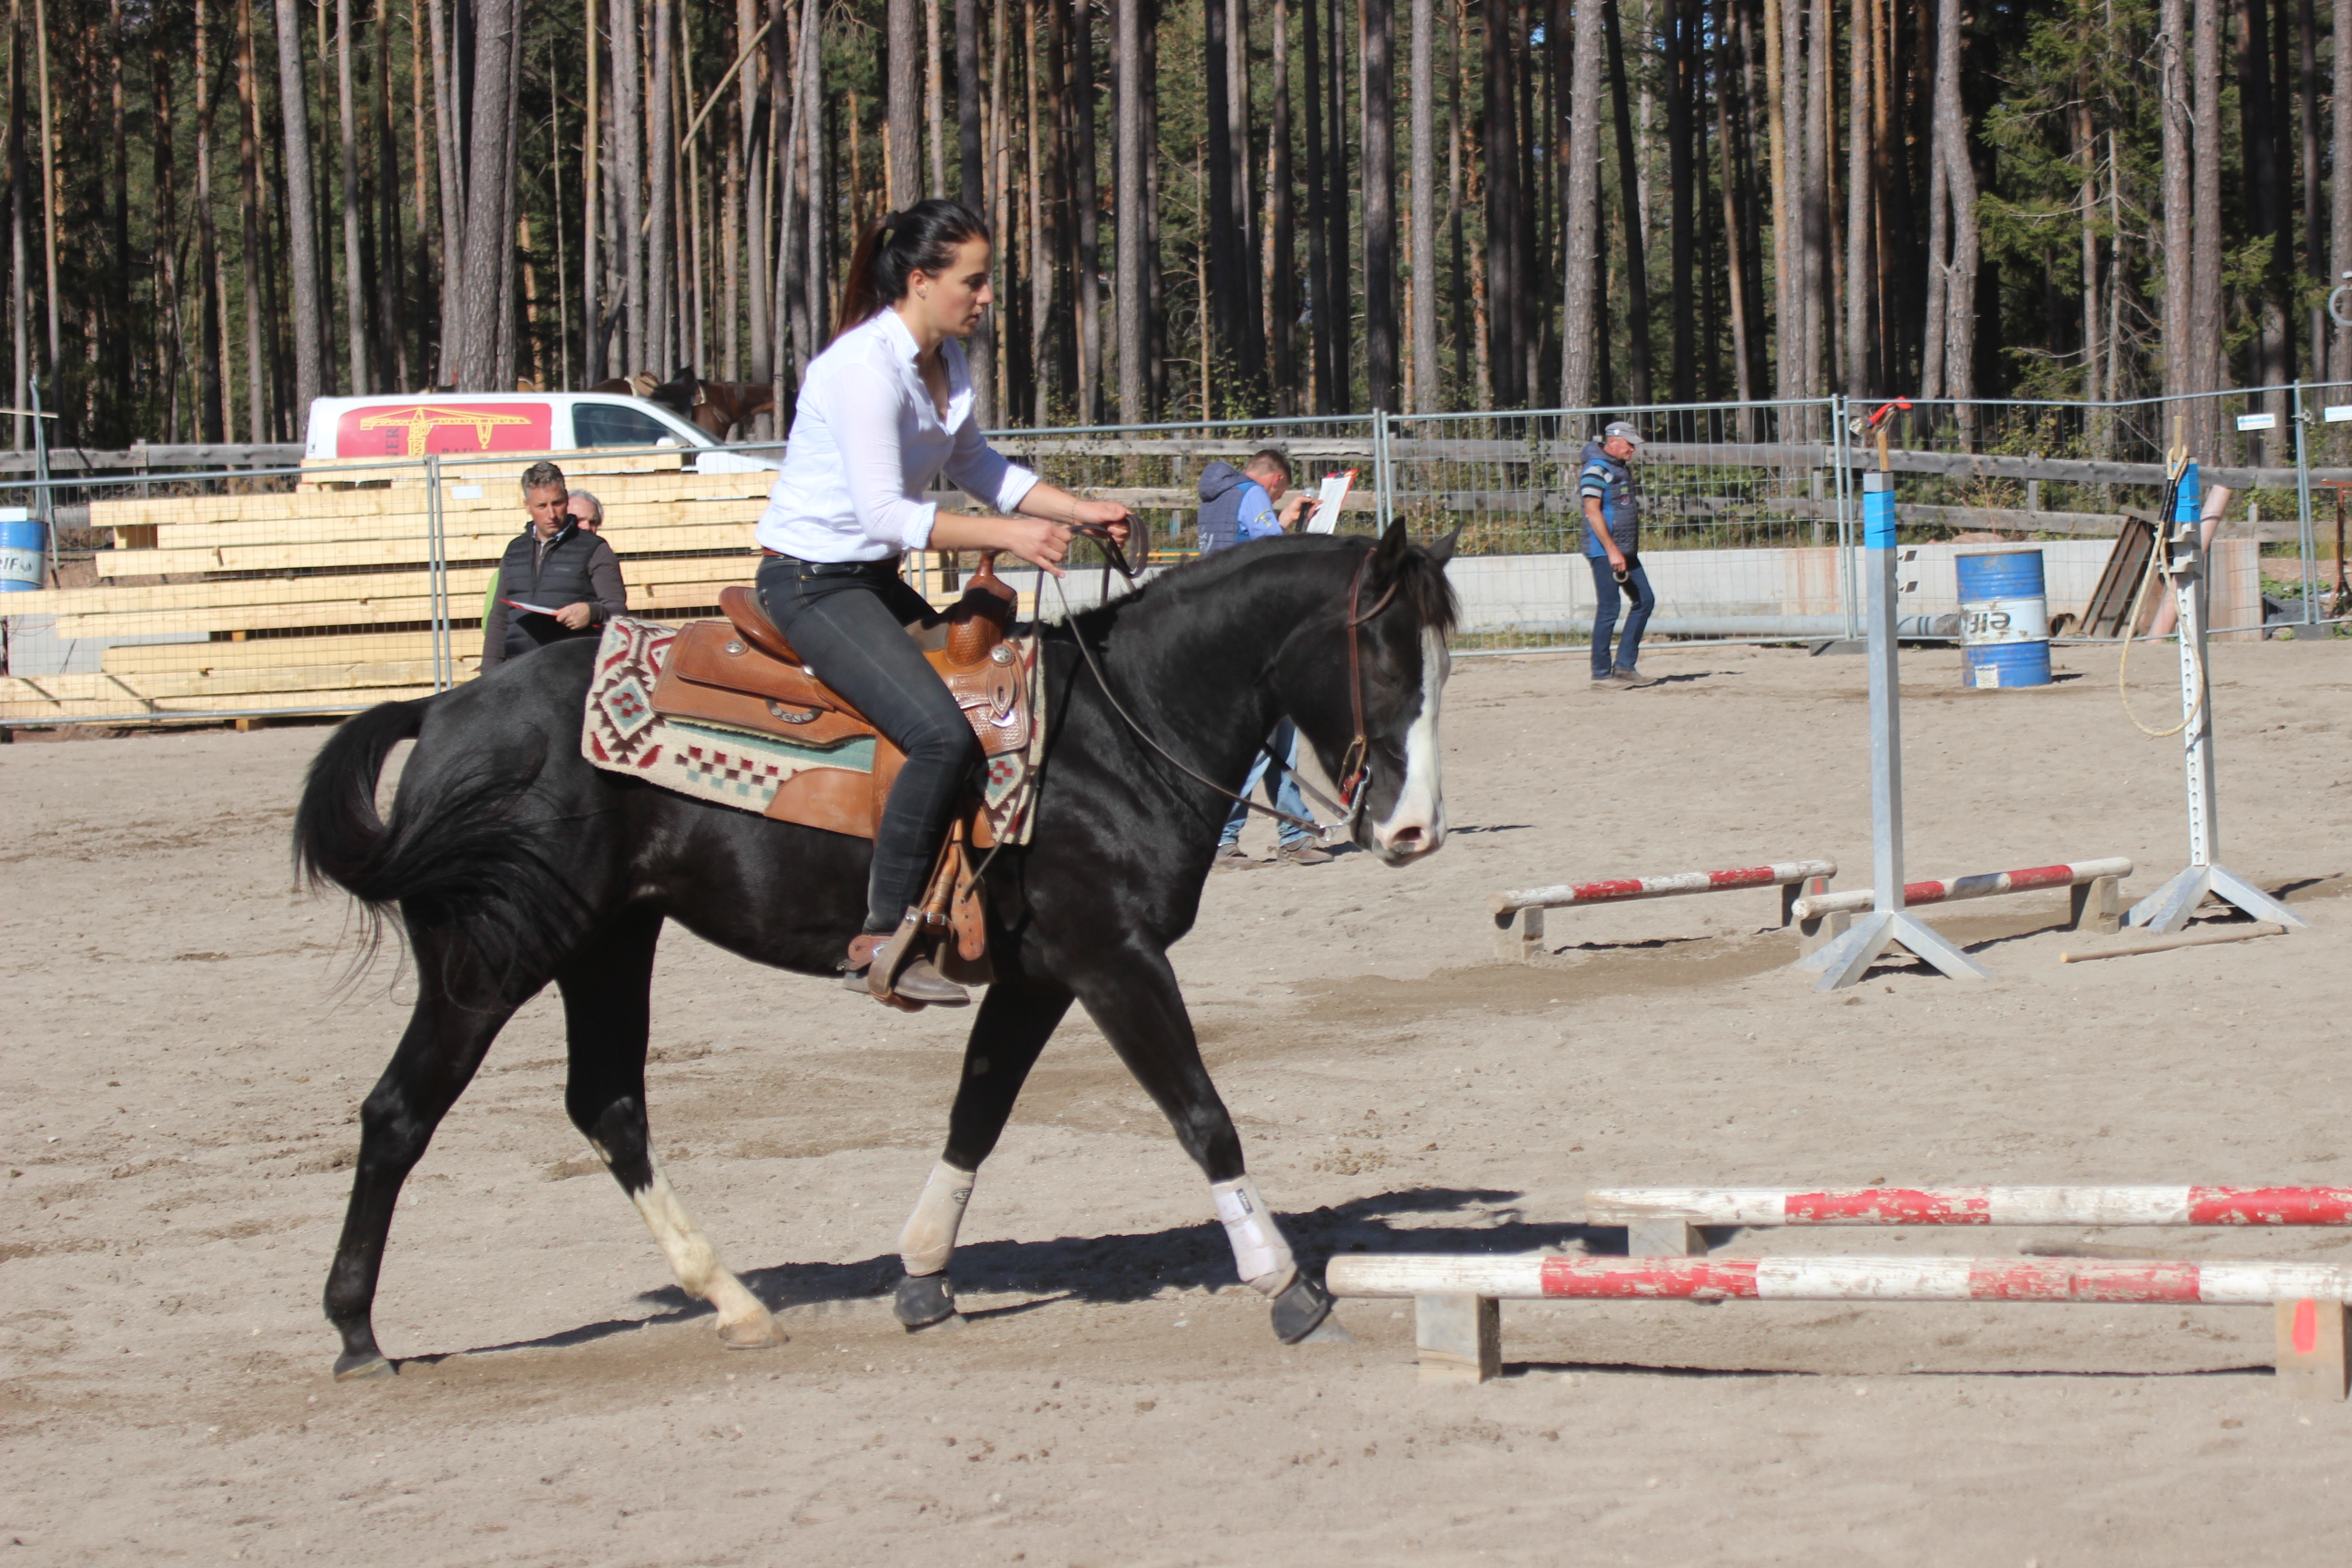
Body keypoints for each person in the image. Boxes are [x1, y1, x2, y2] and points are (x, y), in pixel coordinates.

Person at [754, 198, 1132, 1008]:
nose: (987, 296)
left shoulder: (945, 360)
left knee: (1007, 688)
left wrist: (1076, 511)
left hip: (865, 580)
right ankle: (880, 938)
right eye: (975, 281)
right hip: (811, 583)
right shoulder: (861, 370)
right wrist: (1010, 534)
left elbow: (979, 466)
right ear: (922, 281)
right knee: (937, 733)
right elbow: (883, 515)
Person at [1191, 448, 1328, 869]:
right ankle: (1223, 837)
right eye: (1278, 494)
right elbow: (1276, 558)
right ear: (1275, 481)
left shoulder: (1216, 499)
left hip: (1222, 629)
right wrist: (1309, 537)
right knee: (1261, 739)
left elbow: (1246, 548)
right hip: (1252, 634)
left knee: (1278, 734)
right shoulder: (1252, 494)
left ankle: (1294, 832)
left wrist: (1282, 521)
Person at [480, 461, 629, 672]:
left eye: (557, 503)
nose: (551, 514)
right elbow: (499, 618)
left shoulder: (595, 549)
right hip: (517, 670)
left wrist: (592, 612)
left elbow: (619, 613)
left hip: (571, 669)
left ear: (566, 499)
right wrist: (488, 673)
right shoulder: (514, 551)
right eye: (541, 506)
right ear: (527, 505)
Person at [1580, 419, 1653, 688]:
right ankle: (1601, 674)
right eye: (1629, 444)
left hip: (1623, 548)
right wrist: (1612, 550)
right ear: (1613, 441)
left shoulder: (1617, 467)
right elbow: (1592, 511)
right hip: (1604, 550)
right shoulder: (1596, 468)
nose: (1633, 449)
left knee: (1645, 600)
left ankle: (1624, 666)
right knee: (1609, 608)